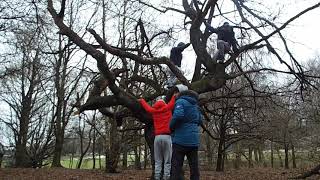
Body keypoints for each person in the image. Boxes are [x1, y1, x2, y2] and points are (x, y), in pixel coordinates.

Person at [139, 95, 177, 180]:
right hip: (167, 137)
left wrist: (142, 100)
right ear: (164, 102)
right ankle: (166, 177)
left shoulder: (153, 110)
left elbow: (147, 108)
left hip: (157, 138)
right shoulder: (167, 108)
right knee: (167, 160)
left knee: (158, 160)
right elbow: (172, 102)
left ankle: (157, 177)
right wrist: (174, 96)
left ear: (156, 102)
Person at [170, 84, 202, 180]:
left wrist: (171, 127)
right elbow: (200, 120)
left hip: (180, 140)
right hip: (194, 141)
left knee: (176, 167)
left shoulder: (180, 101)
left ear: (181, 93)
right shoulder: (195, 104)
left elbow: (178, 116)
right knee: (194, 167)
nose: (174, 95)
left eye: (176, 92)